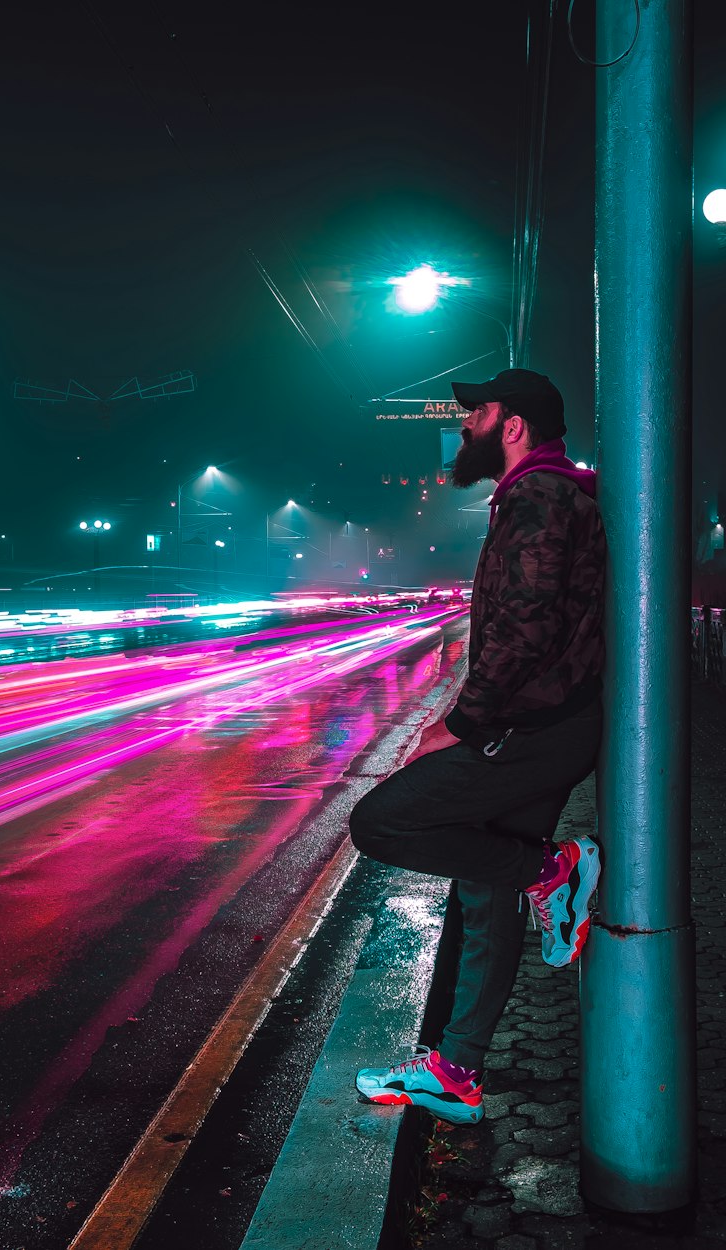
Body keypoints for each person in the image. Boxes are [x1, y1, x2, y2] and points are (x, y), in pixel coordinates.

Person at [349, 368, 606, 1125]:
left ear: (514, 424)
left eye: (479, 413)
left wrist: (457, 724)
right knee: (482, 888)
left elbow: (525, 627)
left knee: (383, 823)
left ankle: (556, 870)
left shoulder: (539, 496)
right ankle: (456, 1072)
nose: (466, 427)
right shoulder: (550, 494)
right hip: (549, 724)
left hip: (534, 731)